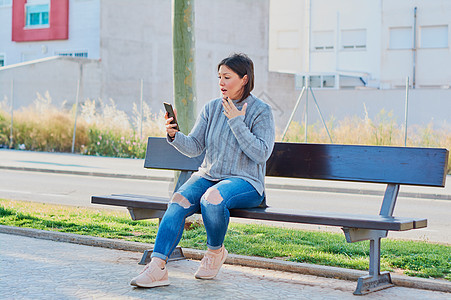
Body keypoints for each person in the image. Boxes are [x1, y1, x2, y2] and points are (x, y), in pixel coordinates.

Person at [130, 53, 275, 288]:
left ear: (244, 79)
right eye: (219, 77)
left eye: (227, 77)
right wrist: (174, 136)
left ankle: (215, 252)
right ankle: (157, 268)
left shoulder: (261, 111)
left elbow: (261, 153)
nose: (221, 82)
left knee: (212, 198)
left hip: (246, 183)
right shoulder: (211, 108)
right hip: (209, 176)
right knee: (177, 200)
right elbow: (195, 147)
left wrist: (237, 121)